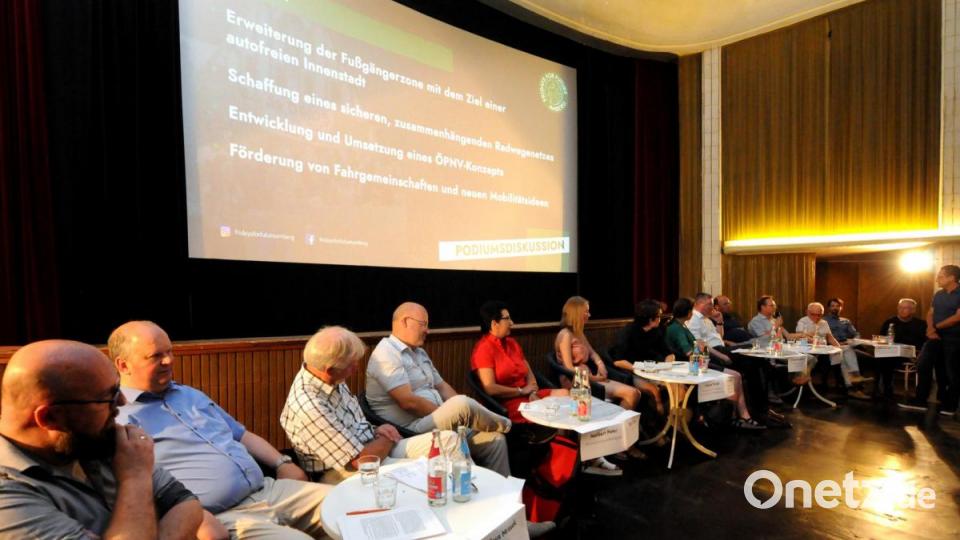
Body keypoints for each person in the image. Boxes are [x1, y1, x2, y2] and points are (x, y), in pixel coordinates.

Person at [110, 320, 329, 539]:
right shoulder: (120, 421)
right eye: (155, 356)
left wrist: (282, 463)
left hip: (269, 490)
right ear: (123, 365)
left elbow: (241, 434)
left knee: (346, 506)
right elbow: (135, 491)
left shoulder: (189, 394)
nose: (168, 360)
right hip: (221, 518)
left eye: (169, 351)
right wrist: (189, 515)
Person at [0, 340, 202, 539]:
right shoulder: (7, 496)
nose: (122, 402)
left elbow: (185, 502)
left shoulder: (92, 441)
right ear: (50, 417)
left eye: (118, 389)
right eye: (108, 397)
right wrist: (135, 479)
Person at [365, 302, 511, 469]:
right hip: (410, 429)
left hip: (435, 421)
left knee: (495, 440)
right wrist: (448, 413)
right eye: (423, 324)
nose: (427, 330)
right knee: (461, 404)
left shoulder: (419, 352)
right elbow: (408, 402)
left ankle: (500, 485)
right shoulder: (386, 353)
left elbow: (442, 386)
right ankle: (507, 425)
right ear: (405, 321)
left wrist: (452, 415)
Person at [555, 295, 642, 474]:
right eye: (586, 311)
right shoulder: (565, 335)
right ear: (576, 313)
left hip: (591, 378)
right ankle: (612, 444)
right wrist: (595, 379)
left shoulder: (579, 332)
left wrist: (600, 364)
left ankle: (614, 440)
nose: (589, 315)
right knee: (631, 393)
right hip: (577, 383)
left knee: (635, 394)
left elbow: (593, 353)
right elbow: (569, 368)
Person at [665, 298, 765, 430]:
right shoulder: (677, 329)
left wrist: (702, 349)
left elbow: (700, 345)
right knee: (735, 375)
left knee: (737, 374)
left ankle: (743, 416)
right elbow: (689, 352)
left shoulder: (681, 326)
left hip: (696, 362)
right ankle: (736, 418)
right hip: (690, 366)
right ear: (689, 312)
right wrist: (704, 354)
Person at [687, 293, 782, 424]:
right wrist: (722, 356)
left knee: (758, 360)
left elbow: (719, 337)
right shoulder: (694, 320)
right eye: (710, 304)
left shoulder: (706, 319)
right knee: (753, 353)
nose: (713, 307)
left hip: (721, 348)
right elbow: (700, 345)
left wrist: (719, 321)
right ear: (700, 304)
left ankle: (762, 409)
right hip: (713, 354)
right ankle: (760, 410)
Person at [471, 301, 569, 422]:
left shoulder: (512, 343)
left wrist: (533, 392)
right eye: (507, 319)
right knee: (549, 412)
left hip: (528, 396)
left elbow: (528, 371)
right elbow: (490, 388)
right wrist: (520, 391)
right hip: (506, 404)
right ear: (494, 323)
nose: (512, 323)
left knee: (566, 396)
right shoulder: (483, 349)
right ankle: (559, 434)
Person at [900, 265, 960, 415]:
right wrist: (930, 329)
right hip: (934, 336)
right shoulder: (938, 294)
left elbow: (958, 317)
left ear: (952, 278)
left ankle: (950, 405)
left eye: (941, 276)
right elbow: (930, 313)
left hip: (953, 337)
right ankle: (920, 400)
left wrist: (937, 327)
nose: (937, 279)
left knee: (951, 371)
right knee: (923, 364)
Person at [796, 302, 871, 400]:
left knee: (845, 350)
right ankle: (852, 384)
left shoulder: (823, 323)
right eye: (813, 314)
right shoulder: (803, 322)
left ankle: (854, 378)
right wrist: (811, 339)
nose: (816, 317)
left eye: (819, 315)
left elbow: (831, 338)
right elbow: (800, 338)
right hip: (810, 352)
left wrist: (839, 348)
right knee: (842, 357)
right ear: (807, 312)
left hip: (824, 350)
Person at [609, 298, 669, 415]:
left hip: (654, 370)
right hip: (633, 372)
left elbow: (668, 352)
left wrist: (667, 365)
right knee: (654, 391)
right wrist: (639, 369)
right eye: (658, 316)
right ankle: (660, 419)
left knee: (678, 387)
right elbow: (618, 361)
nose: (660, 319)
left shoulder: (657, 330)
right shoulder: (628, 331)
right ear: (649, 319)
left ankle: (675, 420)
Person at [875, 299, 927, 399]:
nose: (902, 310)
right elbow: (881, 338)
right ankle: (883, 389)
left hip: (912, 354)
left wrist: (919, 353)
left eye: (906, 308)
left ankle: (920, 395)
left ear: (913, 310)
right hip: (892, 353)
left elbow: (925, 342)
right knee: (881, 359)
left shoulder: (920, 324)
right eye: (900, 307)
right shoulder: (890, 322)